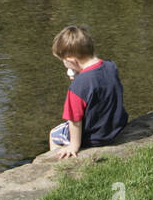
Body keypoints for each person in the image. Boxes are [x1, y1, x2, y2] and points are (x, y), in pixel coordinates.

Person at [48, 26, 129, 159]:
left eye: (63, 61)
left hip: (94, 139)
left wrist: (74, 145)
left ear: (71, 60)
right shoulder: (111, 67)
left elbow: (75, 120)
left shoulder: (77, 87)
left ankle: (59, 163)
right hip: (116, 128)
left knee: (54, 134)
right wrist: (79, 75)